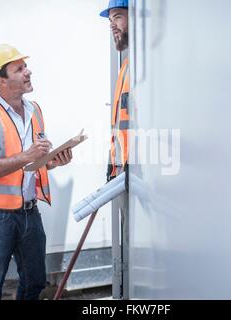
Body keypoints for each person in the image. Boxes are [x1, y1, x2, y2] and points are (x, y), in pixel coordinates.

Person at [0, 44, 72, 300]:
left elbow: (33, 164)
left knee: (35, 283)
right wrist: (27, 155)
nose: (28, 72)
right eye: (19, 69)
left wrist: (53, 161)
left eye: (26, 67)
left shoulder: (35, 109)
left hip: (29, 213)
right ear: (1, 80)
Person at [100, 0, 130, 299]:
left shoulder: (142, 70)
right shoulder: (125, 68)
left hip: (138, 174)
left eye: (118, 16)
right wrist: (113, 162)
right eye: (110, 19)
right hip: (123, 173)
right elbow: (120, 125)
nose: (112, 25)